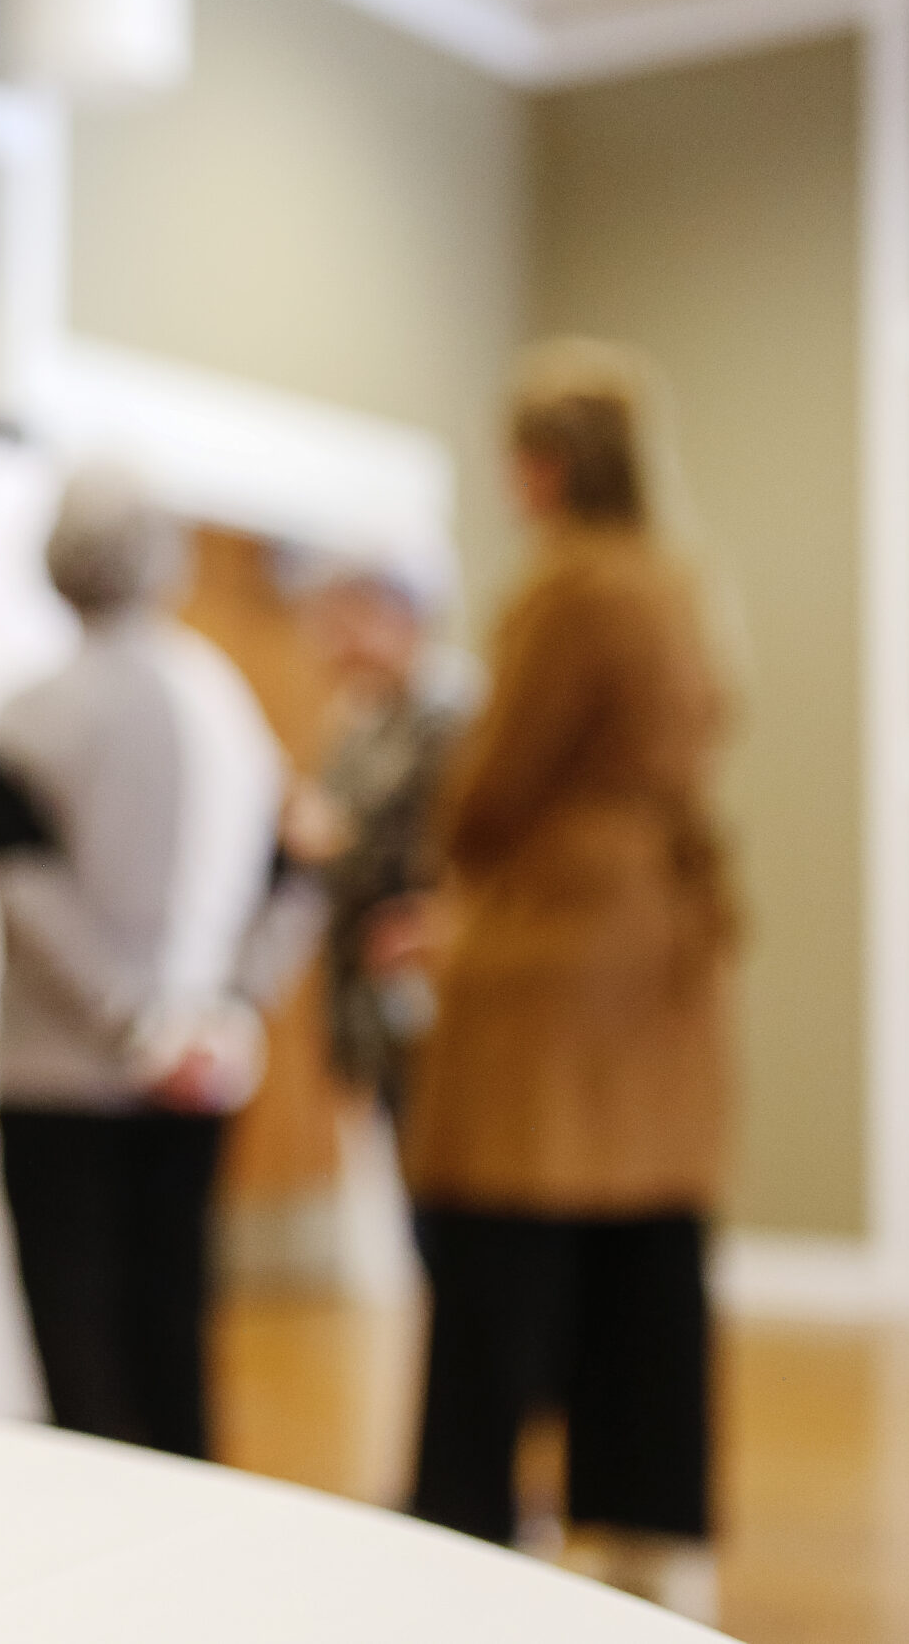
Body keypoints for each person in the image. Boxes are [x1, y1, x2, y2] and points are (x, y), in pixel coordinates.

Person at [402, 340, 735, 1621]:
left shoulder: (566, 591)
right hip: (662, 947)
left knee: (493, 1250)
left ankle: (463, 1525)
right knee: (648, 1254)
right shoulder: (680, 585)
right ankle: (648, 1532)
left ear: (536, 466)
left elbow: (488, 788)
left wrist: (459, 862)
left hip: (552, 957)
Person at [0, 468, 283, 1457]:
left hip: (57, 1074)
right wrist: (225, 1012)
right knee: (173, 1332)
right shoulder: (228, 704)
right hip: (197, 1072)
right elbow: (293, 876)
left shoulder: (30, 713)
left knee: (77, 1354)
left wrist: (128, 1022)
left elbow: (25, 895)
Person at [293, 549, 477, 1120]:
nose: (333, 646)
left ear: (402, 617)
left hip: (431, 972)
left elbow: (412, 842)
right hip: (373, 989)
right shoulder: (363, 723)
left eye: (346, 623)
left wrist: (328, 834)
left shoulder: (453, 718)